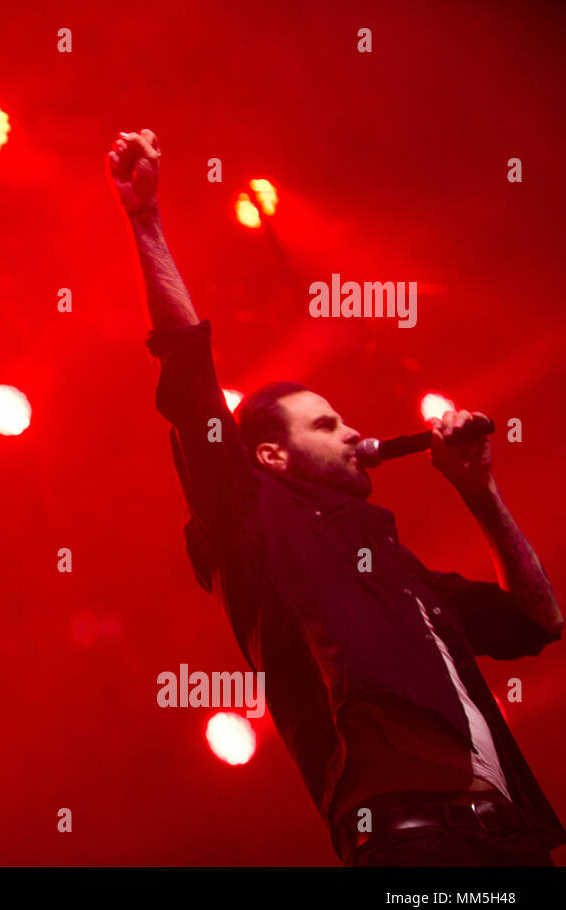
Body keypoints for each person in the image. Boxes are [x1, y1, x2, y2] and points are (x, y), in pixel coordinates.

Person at [108, 127, 564, 866]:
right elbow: (190, 376)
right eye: (327, 423)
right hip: (414, 836)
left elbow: (541, 620)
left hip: (510, 837)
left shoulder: (401, 569)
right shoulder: (249, 514)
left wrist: (479, 494)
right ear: (269, 455)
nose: (354, 434)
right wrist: (146, 222)